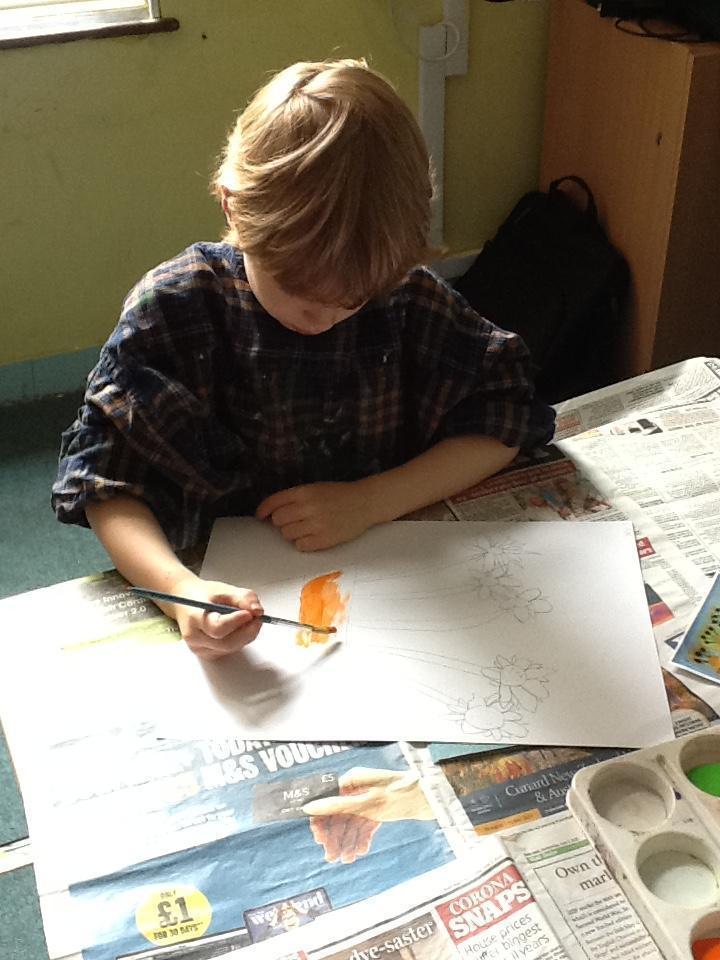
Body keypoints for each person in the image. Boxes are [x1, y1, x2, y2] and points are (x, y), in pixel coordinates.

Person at [52, 59, 555, 661]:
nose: (326, 318)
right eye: (300, 293)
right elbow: (106, 482)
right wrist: (179, 591)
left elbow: (507, 419)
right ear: (233, 209)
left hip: (391, 588)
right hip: (224, 594)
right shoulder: (177, 309)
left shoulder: (403, 297)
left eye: (354, 299)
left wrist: (372, 500)